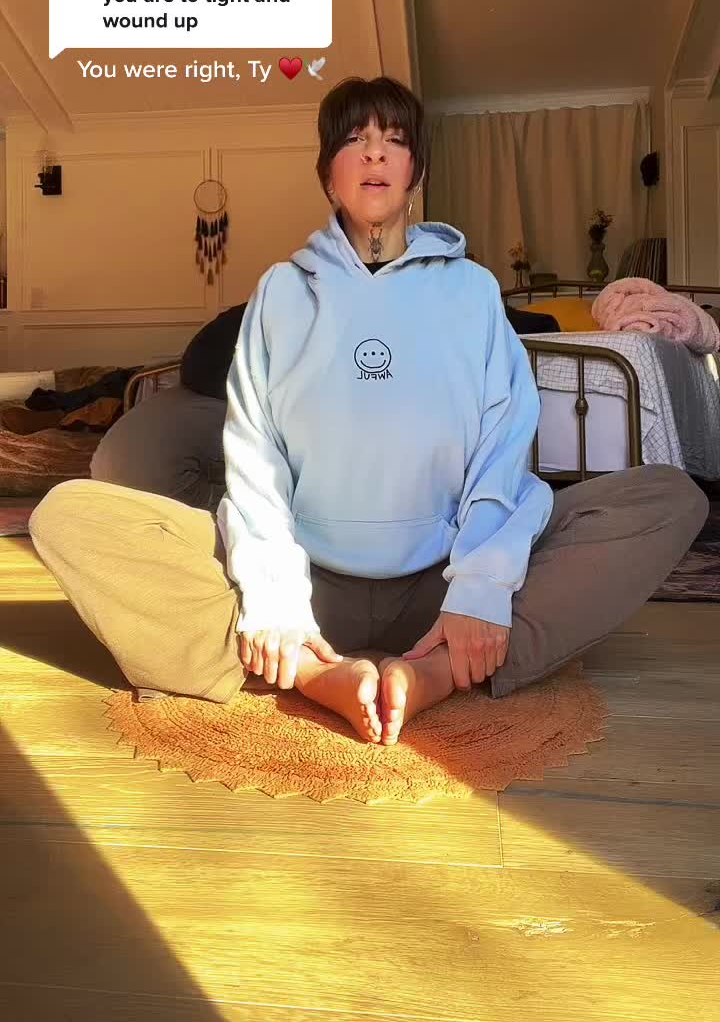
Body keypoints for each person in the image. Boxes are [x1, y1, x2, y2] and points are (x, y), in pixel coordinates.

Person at [29, 76, 707, 747]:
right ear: (329, 175)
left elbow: (502, 450)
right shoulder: (280, 293)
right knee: (67, 514)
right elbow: (256, 459)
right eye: (355, 139)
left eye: (395, 139)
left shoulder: (472, 291)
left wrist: (479, 588)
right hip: (309, 585)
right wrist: (275, 600)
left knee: (667, 499)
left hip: (439, 586)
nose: (376, 152)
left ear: (416, 171)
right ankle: (309, 668)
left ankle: (436, 670)